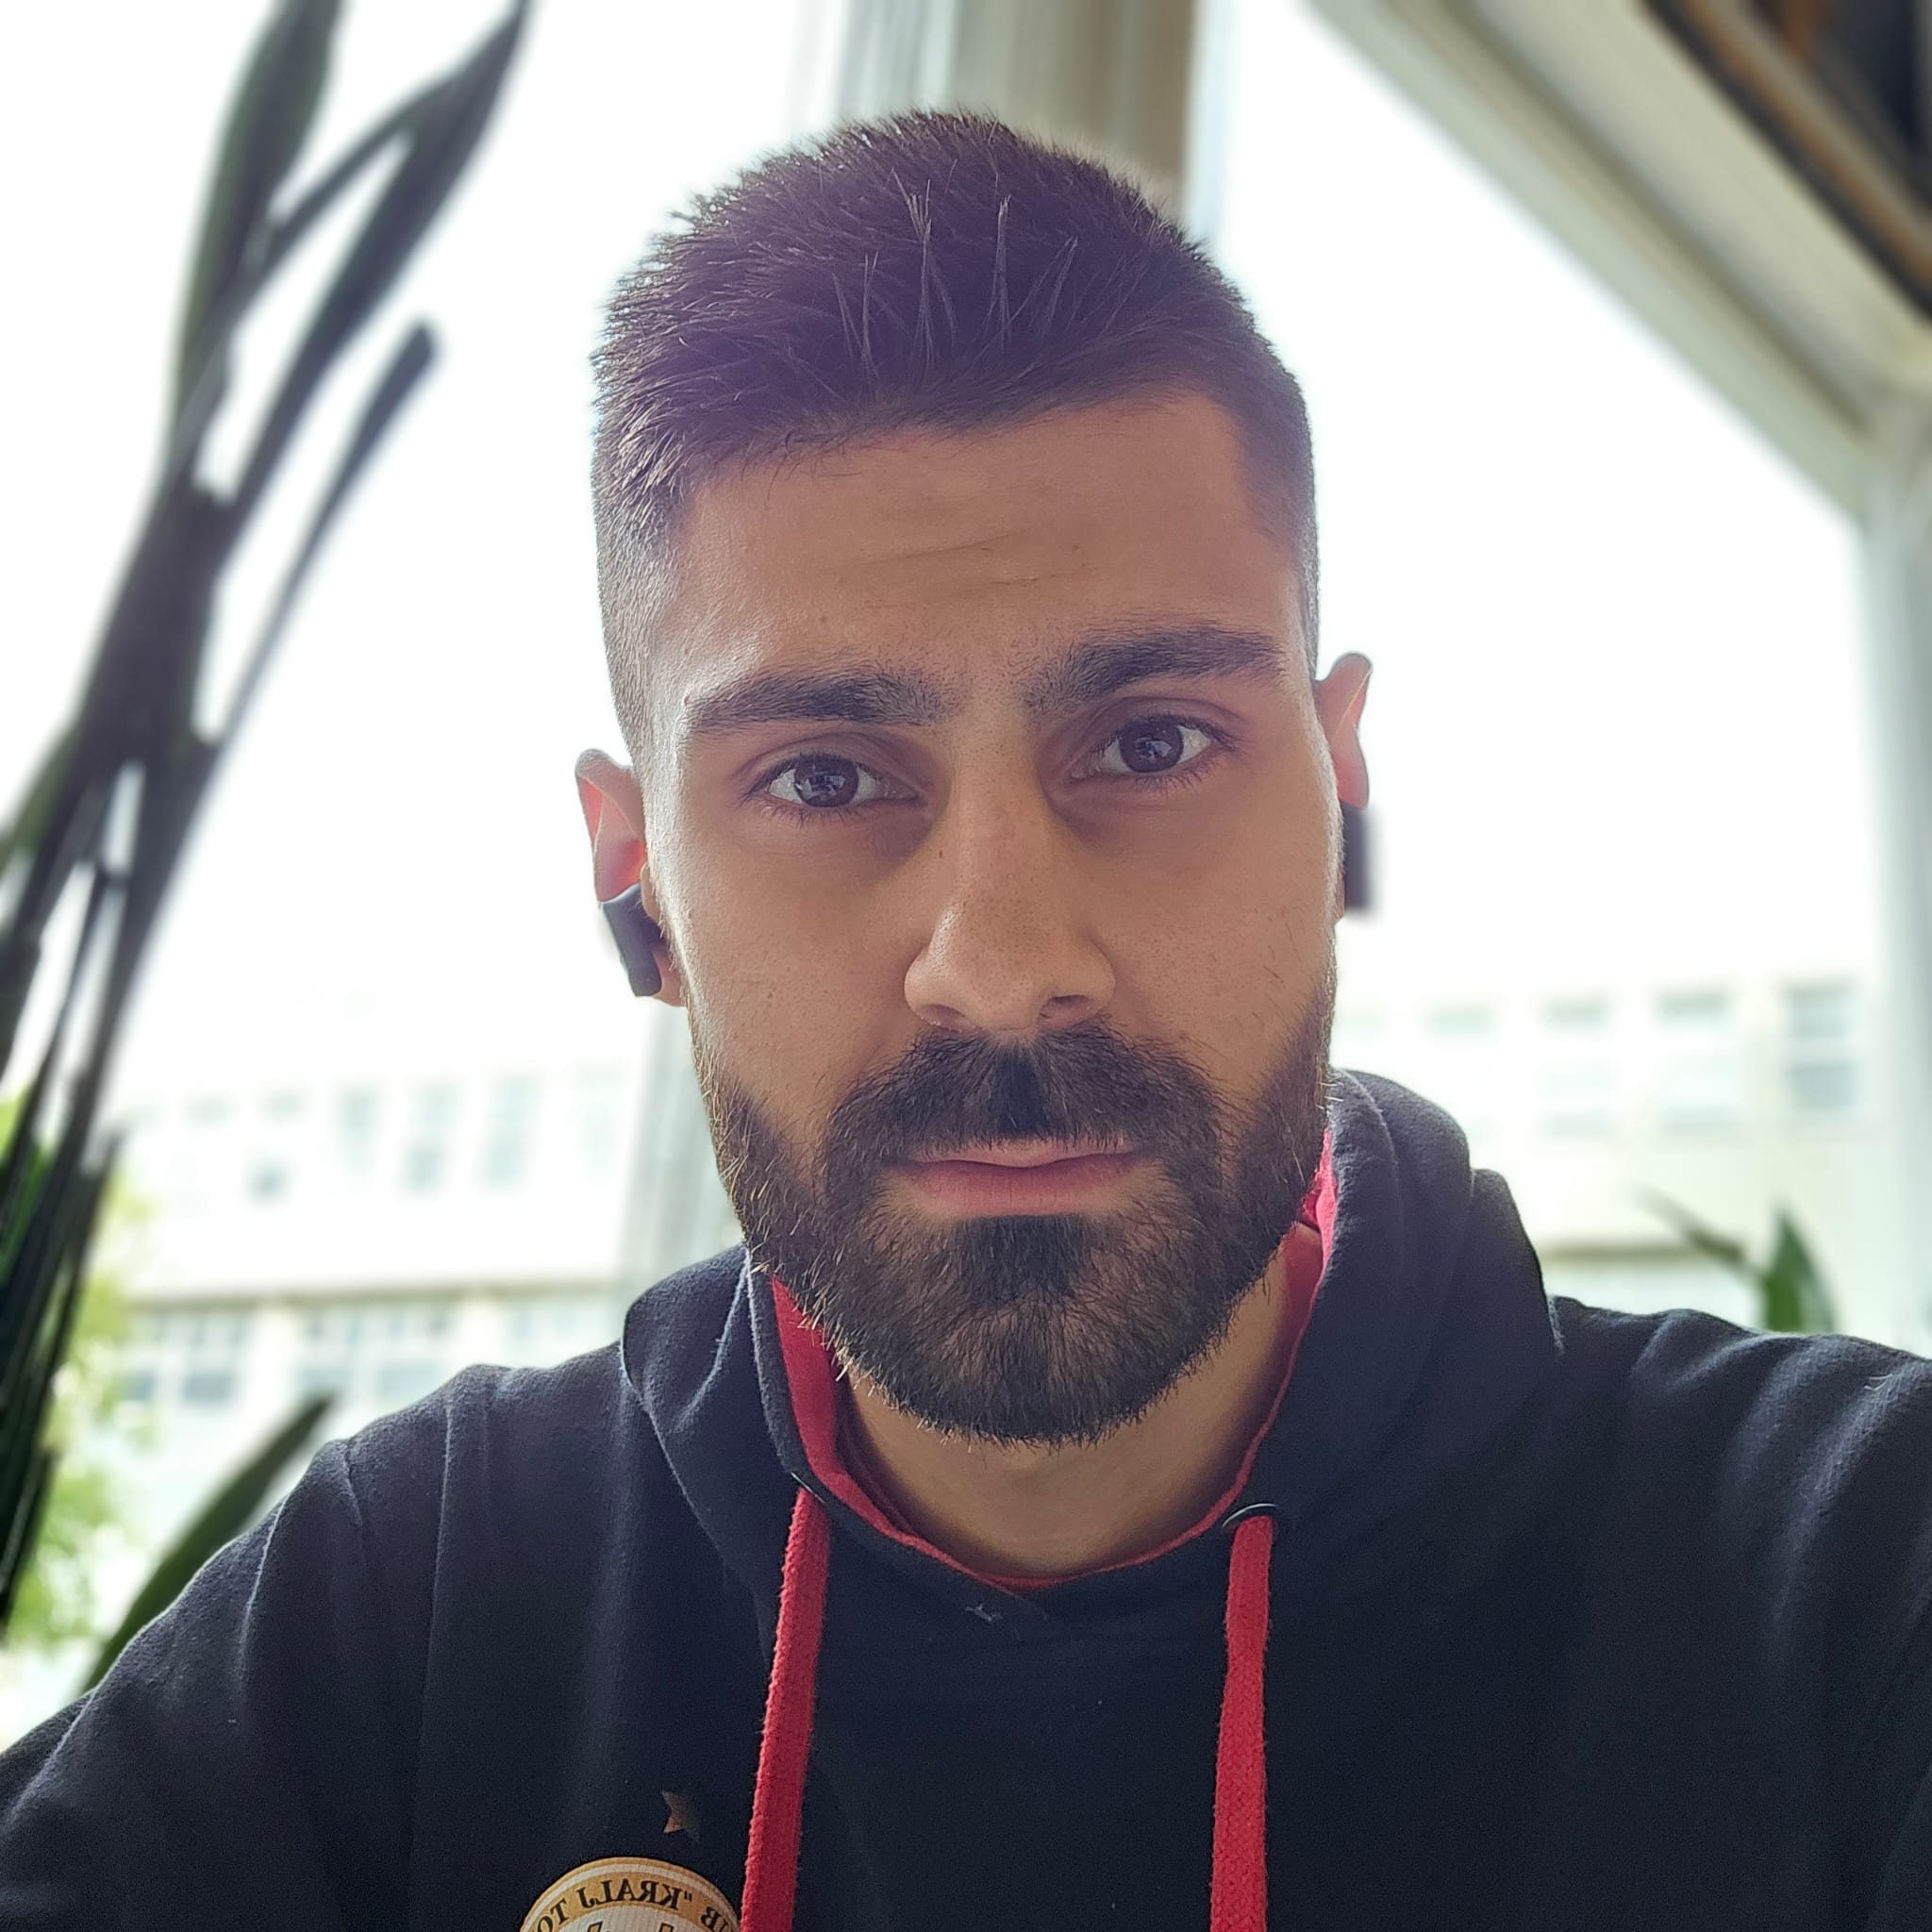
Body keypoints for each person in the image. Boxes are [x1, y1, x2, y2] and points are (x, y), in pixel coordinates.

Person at [2, 108, 1928, 1932]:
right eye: (824, 777)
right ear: (636, 881)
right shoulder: (411, 1608)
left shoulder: (1853, 1582)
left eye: (1151, 743)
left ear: (1340, 791)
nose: (1002, 964)